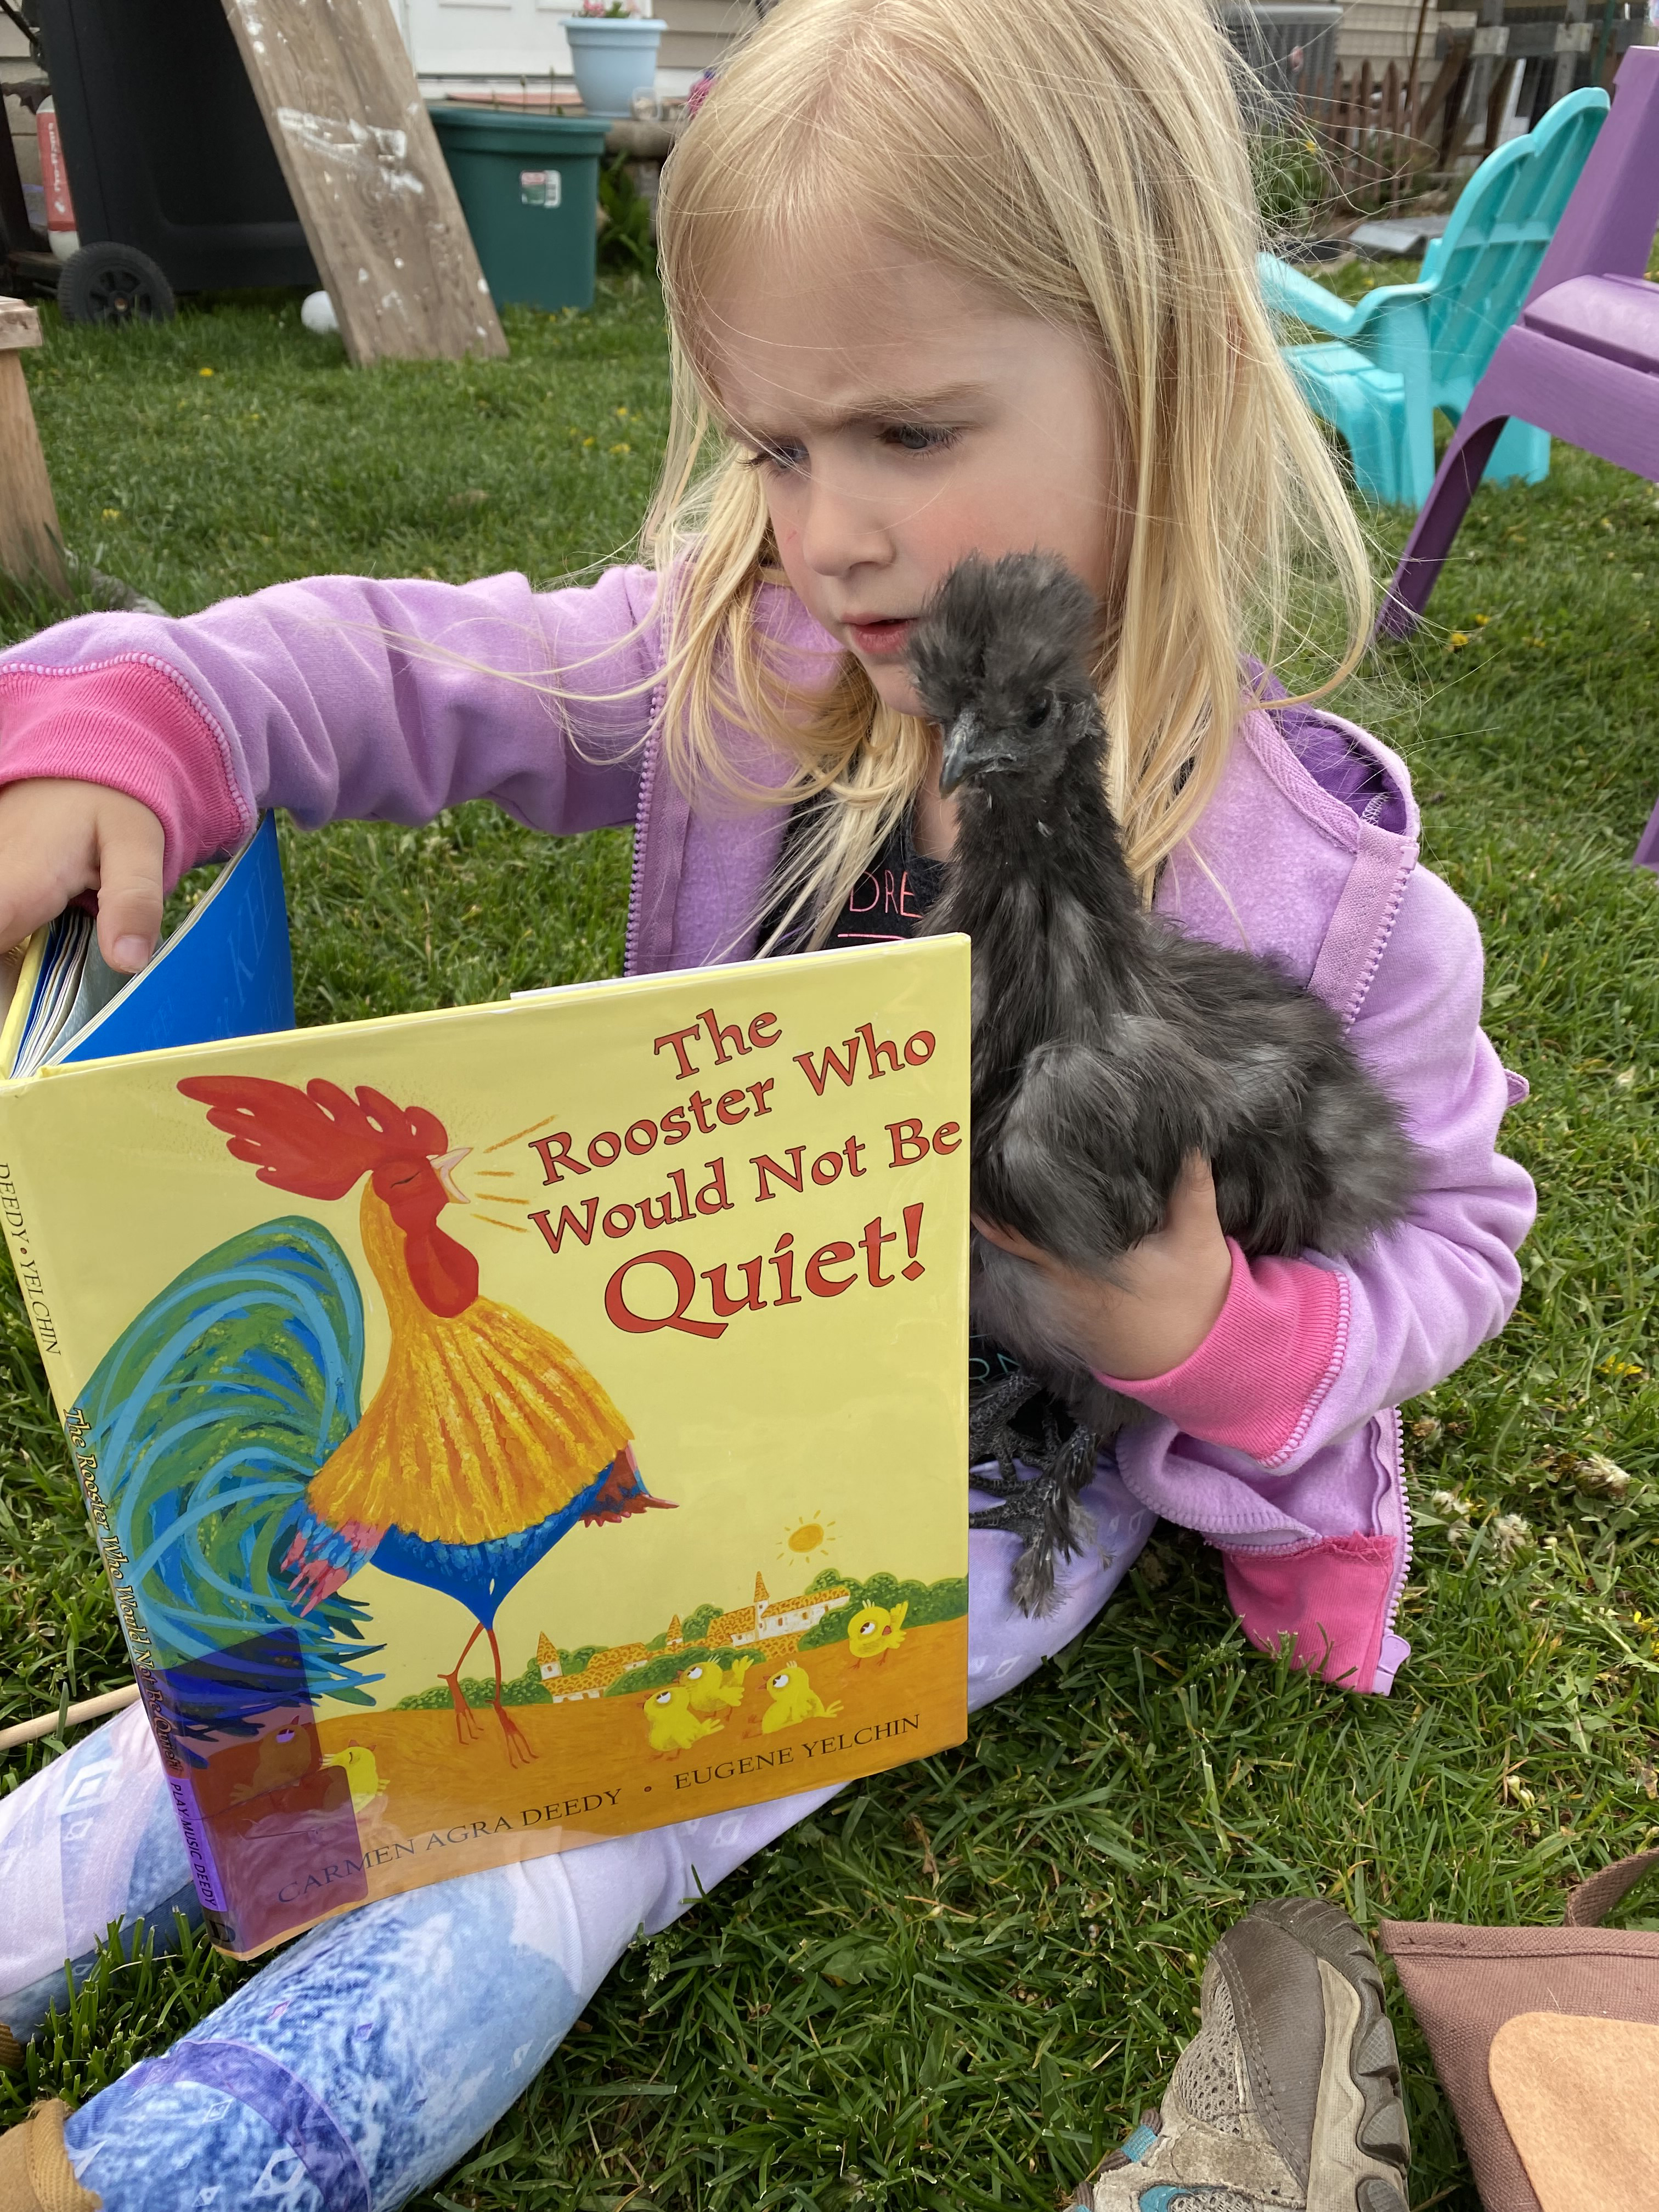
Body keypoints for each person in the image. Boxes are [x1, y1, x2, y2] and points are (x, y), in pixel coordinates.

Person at [0, 0, 1534, 2202]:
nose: (825, 533)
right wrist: (142, 707)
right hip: (669, 1369)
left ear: (1167, 365)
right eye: (773, 446)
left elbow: (1456, 1242)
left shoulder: (1328, 899)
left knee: (593, 1796)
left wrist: (1199, 1338)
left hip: (975, 1478)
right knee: (280, 1666)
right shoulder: (759, 672)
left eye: (906, 432)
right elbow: (392, 668)